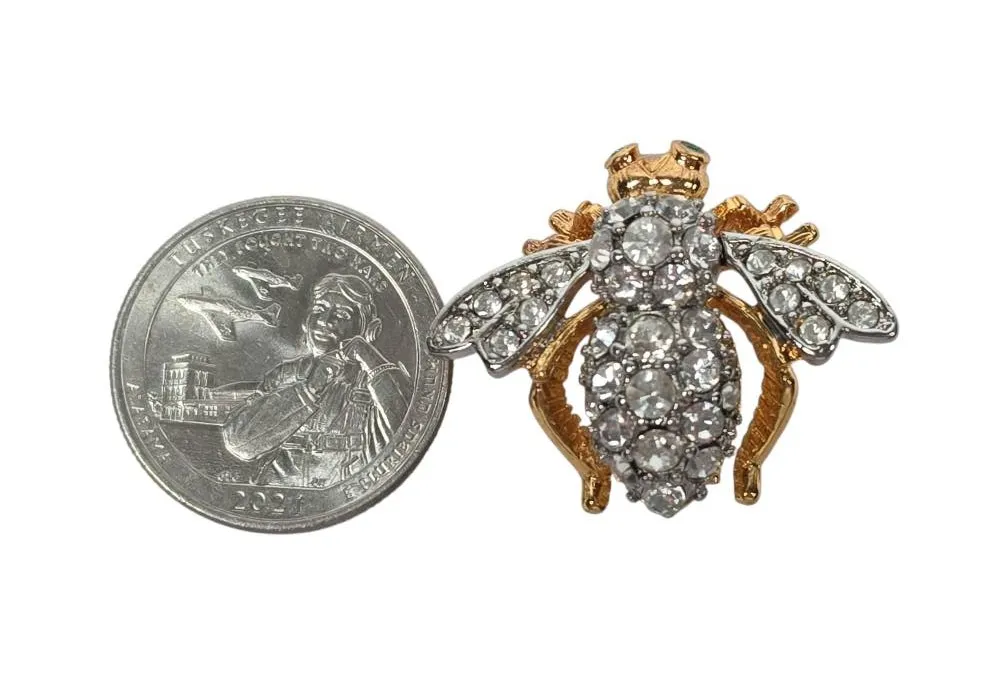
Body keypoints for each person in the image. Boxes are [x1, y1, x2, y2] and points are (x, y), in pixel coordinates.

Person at [222, 273, 410, 487]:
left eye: (342, 314)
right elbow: (238, 443)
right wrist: (308, 388)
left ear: (370, 329)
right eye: (319, 309)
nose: (324, 321)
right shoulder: (284, 375)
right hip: (280, 489)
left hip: (347, 488)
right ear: (306, 322)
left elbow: (408, 435)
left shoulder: (381, 378)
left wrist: (371, 360)